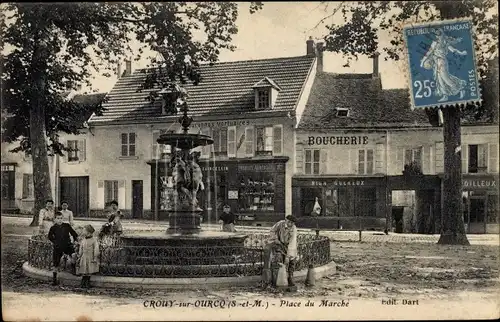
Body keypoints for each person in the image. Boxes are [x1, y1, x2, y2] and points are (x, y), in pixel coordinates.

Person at [420, 28, 467, 102]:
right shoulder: (435, 43)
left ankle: (460, 89)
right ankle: (445, 95)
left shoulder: (445, 42)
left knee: (446, 78)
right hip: (436, 62)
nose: (438, 37)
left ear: (441, 35)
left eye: (439, 35)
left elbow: (453, 50)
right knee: (440, 79)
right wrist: (423, 61)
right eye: (436, 35)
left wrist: (461, 53)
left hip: (442, 61)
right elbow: (429, 52)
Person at [263, 215, 298, 288]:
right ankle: (277, 278)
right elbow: (272, 230)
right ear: (286, 220)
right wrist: (275, 238)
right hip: (278, 243)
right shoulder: (280, 223)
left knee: (293, 259)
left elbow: (292, 243)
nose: (290, 224)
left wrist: (289, 256)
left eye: (292, 223)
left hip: (288, 245)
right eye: (289, 222)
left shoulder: (294, 229)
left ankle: (290, 277)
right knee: (279, 257)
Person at [48, 212, 78, 286]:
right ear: (55, 219)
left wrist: (75, 240)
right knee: (56, 262)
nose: (60, 220)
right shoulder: (53, 227)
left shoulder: (66, 226)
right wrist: (55, 242)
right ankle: (54, 279)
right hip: (58, 246)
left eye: (61, 218)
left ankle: (73, 268)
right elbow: (50, 236)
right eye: (58, 218)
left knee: (74, 255)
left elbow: (74, 233)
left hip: (67, 245)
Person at [76, 224, 100, 288]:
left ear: (88, 232)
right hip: (84, 257)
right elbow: (81, 247)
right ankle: (83, 282)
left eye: (84, 231)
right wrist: (79, 255)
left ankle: (87, 283)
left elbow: (96, 249)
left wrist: (95, 257)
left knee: (89, 270)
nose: (83, 232)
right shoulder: (83, 240)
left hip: (90, 257)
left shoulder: (94, 240)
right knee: (84, 270)